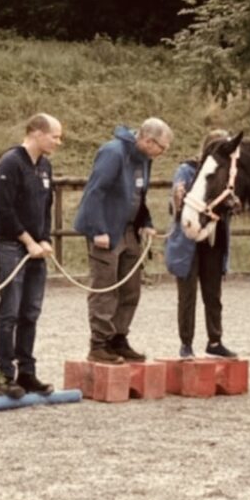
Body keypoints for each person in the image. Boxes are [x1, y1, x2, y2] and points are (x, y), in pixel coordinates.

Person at [73, 117, 173, 364]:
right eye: (162, 147)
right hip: (106, 229)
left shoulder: (144, 160)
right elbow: (95, 191)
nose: (163, 153)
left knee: (131, 288)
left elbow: (139, 195)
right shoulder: (113, 153)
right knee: (105, 287)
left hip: (130, 230)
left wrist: (146, 222)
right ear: (148, 140)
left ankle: (119, 337)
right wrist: (98, 229)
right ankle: (99, 344)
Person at [0, 113, 62, 398]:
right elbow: (4, 209)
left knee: (31, 311)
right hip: (11, 245)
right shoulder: (11, 163)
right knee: (10, 310)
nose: (58, 142)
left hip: (35, 247)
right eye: (54, 136)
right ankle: (5, 374)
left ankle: (27, 371)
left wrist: (43, 239)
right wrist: (28, 240)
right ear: (36, 133)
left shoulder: (45, 166)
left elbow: (46, 207)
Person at [165, 129, 238, 359]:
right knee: (187, 296)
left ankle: (215, 340)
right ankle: (186, 343)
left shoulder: (227, 173)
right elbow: (175, 205)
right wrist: (177, 198)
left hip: (214, 240)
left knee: (213, 294)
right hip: (189, 241)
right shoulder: (187, 170)